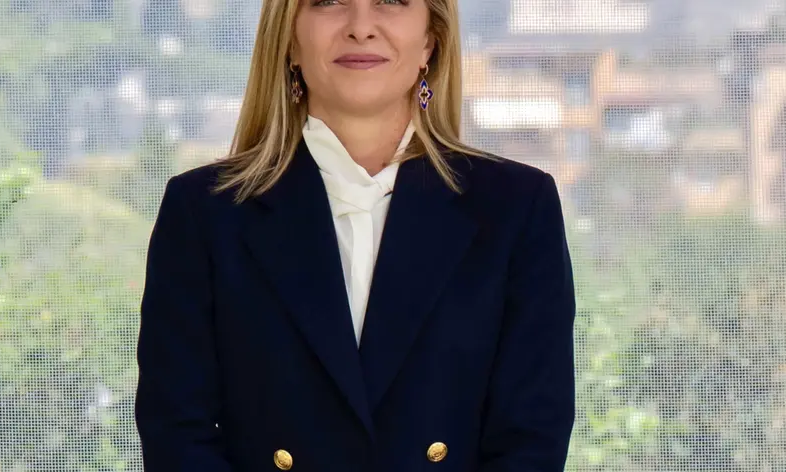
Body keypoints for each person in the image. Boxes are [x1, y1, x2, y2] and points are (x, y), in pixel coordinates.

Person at [134, 0, 576, 470]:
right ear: (289, 41)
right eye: (328, 2)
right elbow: (177, 433)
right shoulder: (204, 212)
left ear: (430, 39)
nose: (361, 27)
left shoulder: (516, 208)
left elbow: (531, 437)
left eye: (391, 1)